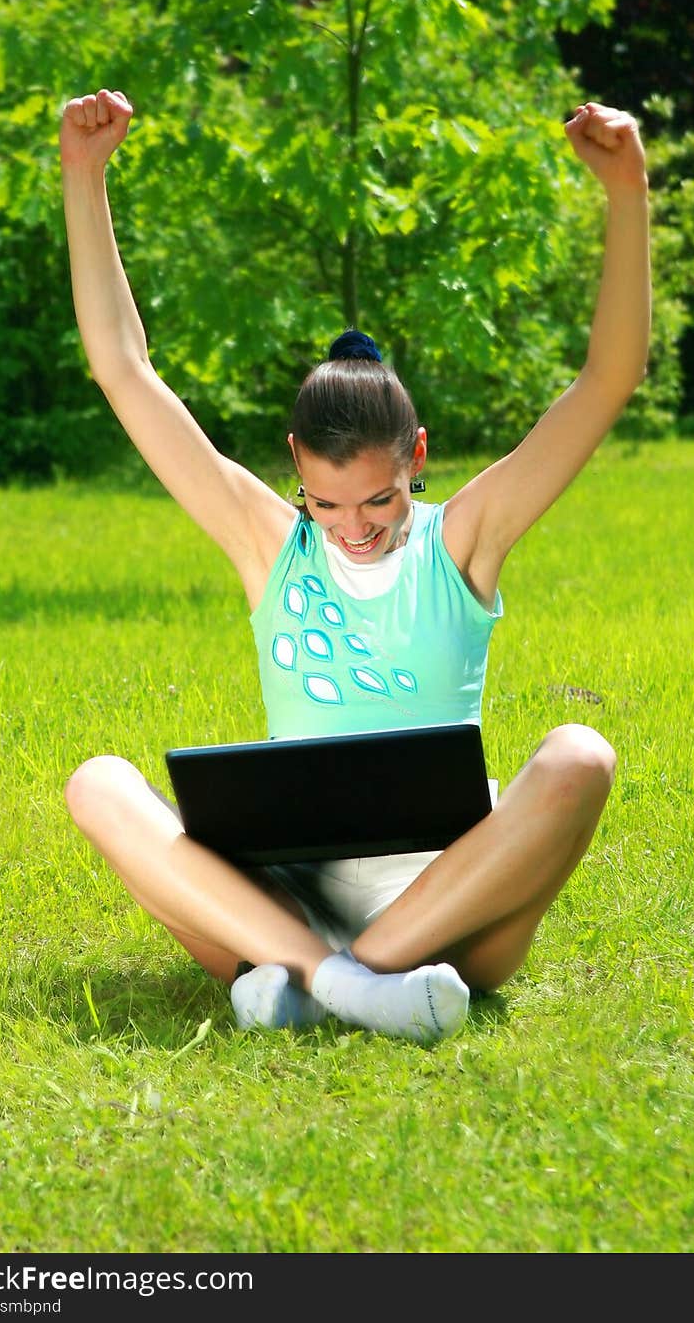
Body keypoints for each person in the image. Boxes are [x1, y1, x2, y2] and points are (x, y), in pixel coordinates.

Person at [59, 87, 650, 1045]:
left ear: (415, 457)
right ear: (295, 464)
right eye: (326, 504)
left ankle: (329, 980)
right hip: (282, 896)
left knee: (582, 755)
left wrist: (628, 193)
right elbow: (125, 372)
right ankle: (347, 979)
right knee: (97, 784)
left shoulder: (464, 537)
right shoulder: (269, 544)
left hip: (449, 900)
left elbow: (605, 380)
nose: (355, 529)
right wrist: (83, 177)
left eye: (379, 500)